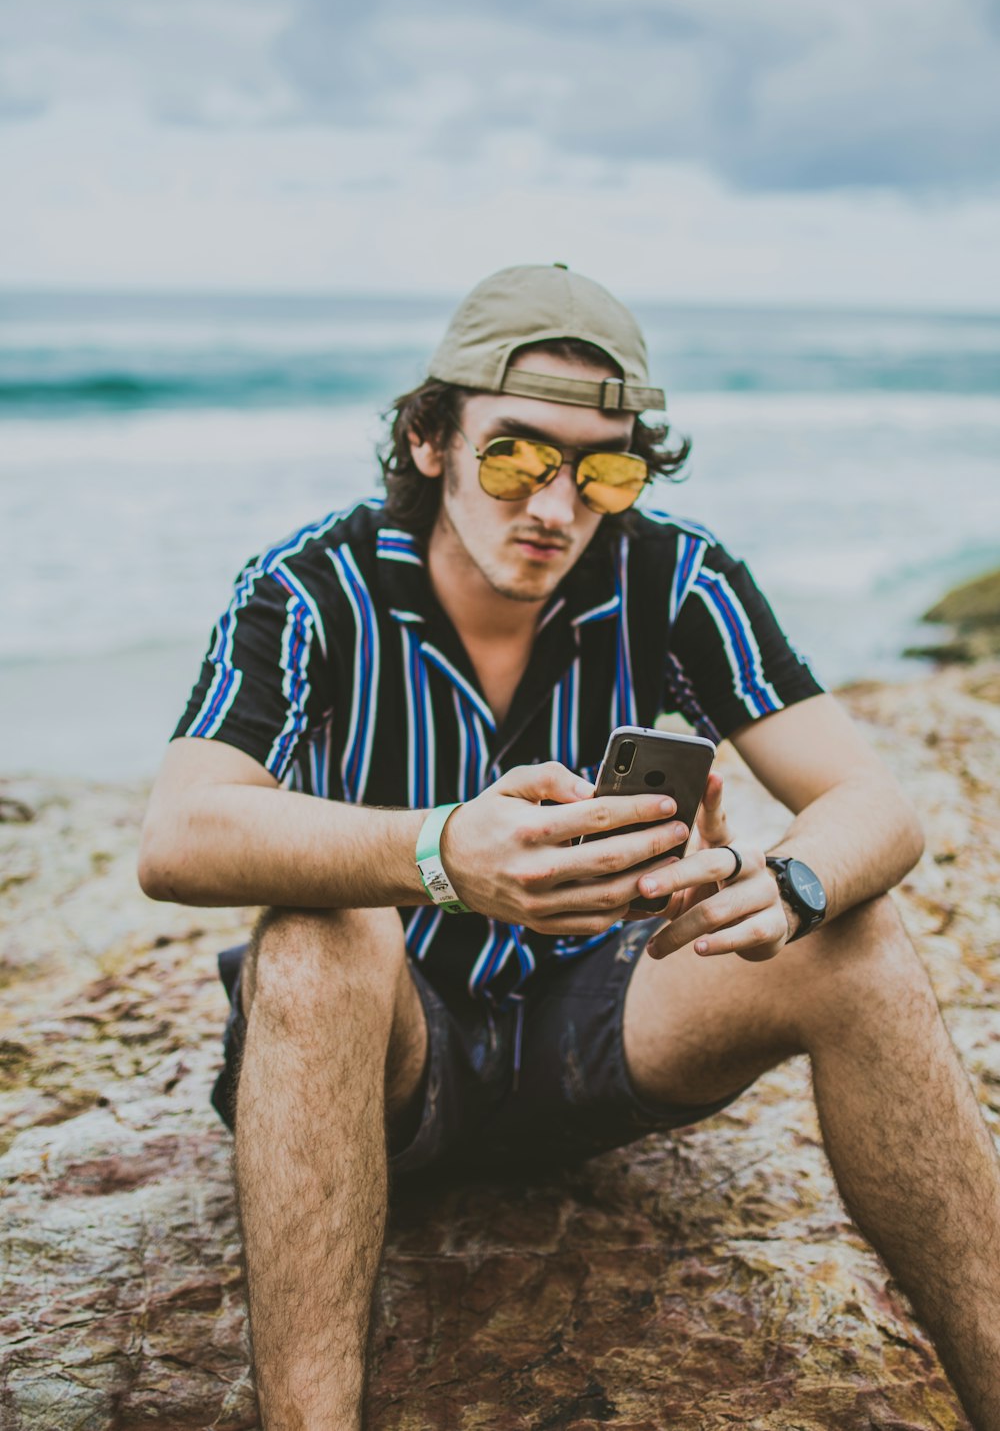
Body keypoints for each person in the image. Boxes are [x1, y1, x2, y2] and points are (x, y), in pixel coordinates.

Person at [138, 264, 1000, 1431]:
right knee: (317, 937)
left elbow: (871, 803)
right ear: (428, 436)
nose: (553, 503)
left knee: (858, 932)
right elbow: (180, 830)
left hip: (595, 1034)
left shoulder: (671, 571)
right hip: (393, 1061)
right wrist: (443, 851)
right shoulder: (311, 587)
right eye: (513, 455)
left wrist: (786, 888)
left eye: (600, 469)